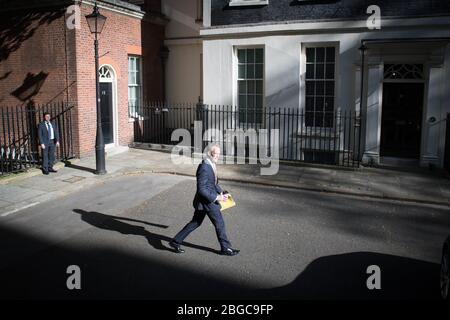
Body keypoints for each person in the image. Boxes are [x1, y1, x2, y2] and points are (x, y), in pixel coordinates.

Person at [169, 144, 240, 256]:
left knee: (195, 223)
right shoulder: (204, 167)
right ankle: (226, 248)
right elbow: (202, 189)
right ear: (210, 153)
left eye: (219, 154)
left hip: (203, 202)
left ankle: (175, 241)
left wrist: (221, 191)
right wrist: (217, 197)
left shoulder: (211, 164)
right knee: (220, 224)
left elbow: (213, 183)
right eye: (216, 154)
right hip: (208, 202)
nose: (218, 156)